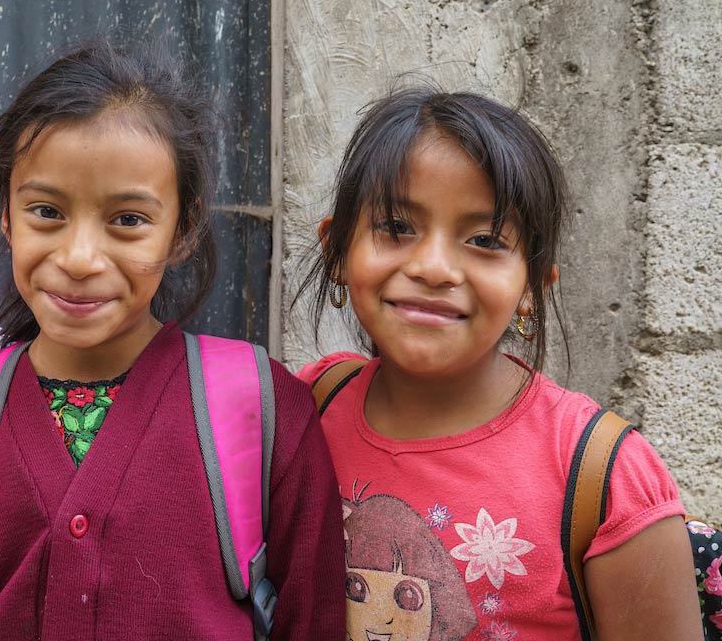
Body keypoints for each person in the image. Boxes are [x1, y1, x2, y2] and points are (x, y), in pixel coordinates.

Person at [0, 41, 346, 639]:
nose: (78, 259)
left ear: (183, 231)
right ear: (7, 217)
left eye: (128, 220)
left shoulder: (262, 409)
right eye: (46, 211)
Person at [296, 86, 700, 640]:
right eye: (396, 228)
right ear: (338, 252)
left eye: (484, 239)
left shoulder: (603, 476)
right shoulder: (310, 406)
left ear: (532, 287)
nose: (434, 267)